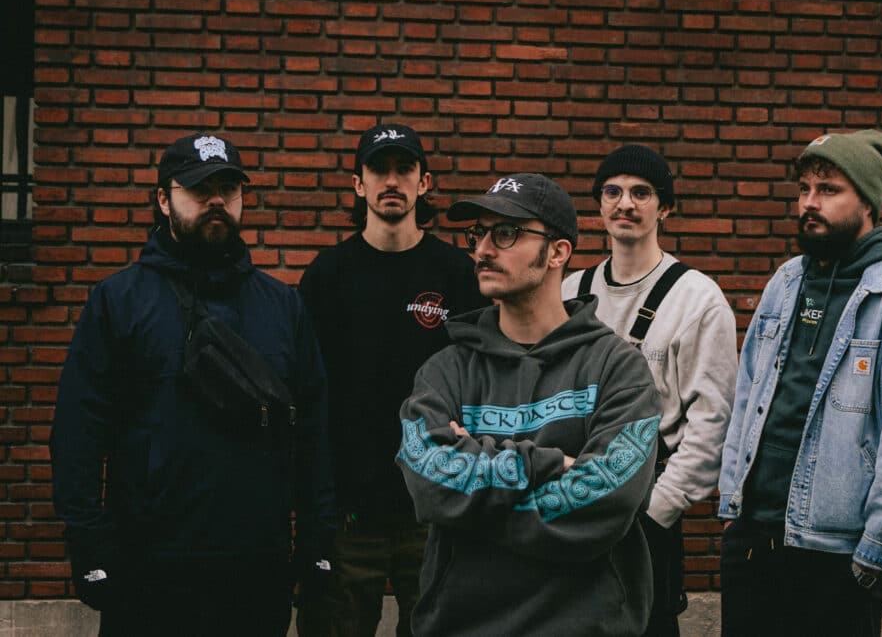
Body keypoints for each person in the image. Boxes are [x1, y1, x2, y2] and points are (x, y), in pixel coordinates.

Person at [50, 133, 336, 636]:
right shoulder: (119, 302)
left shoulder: (281, 307)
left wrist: (317, 538)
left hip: (255, 567)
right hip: (148, 568)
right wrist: (88, 545)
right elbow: (79, 432)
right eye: (200, 189)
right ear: (164, 199)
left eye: (228, 188)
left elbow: (313, 431)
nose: (216, 201)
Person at [396, 172, 662, 637]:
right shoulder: (446, 371)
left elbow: (609, 499)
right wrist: (552, 464)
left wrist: (475, 486)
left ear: (557, 252)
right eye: (478, 234)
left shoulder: (616, 368)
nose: (482, 250)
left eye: (506, 233)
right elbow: (429, 483)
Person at [717, 130, 882, 636]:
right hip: (755, 541)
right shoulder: (786, 282)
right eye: (804, 188)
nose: (809, 202)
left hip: (837, 557)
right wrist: (732, 508)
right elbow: (748, 393)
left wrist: (876, 552)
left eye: (828, 189)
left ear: (867, 202)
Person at [296, 123, 488, 637]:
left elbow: (482, 381)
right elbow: (307, 393)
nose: (392, 181)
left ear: (424, 183)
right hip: (349, 514)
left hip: (434, 511)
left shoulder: (456, 274)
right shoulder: (327, 276)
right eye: (379, 169)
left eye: (405, 169)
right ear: (358, 184)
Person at [561, 145, 737, 636]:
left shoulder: (696, 299)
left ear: (665, 208)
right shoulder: (569, 292)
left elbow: (711, 424)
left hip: (643, 512)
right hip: (569, 504)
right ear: (599, 203)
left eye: (641, 192)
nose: (625, 203)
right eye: (612, 191)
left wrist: (656, 511)